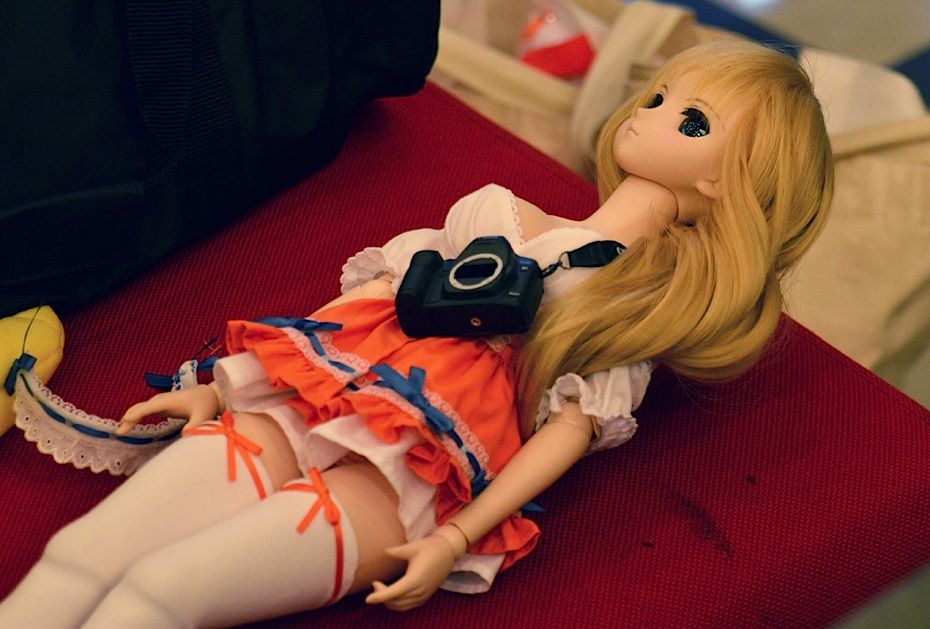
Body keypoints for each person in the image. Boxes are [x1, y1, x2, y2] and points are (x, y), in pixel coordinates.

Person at [0, 40, 833, 627]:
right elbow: (369, 305)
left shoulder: (635, 302)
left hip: (415, 468)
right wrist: (224, 384)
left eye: (692, 122)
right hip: (311, 397)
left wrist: (456, 537)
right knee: (81, 551)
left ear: (727, 181)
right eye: (658, 96)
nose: (649, 116)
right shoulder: (496, 212)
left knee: (162, 594)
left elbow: (567, 434)